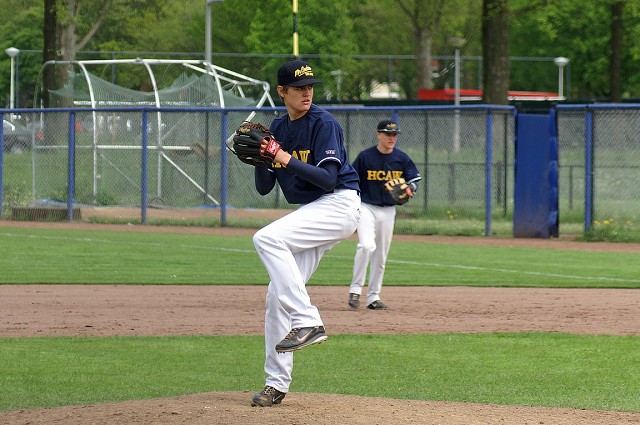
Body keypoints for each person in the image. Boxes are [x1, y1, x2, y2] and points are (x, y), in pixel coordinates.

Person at [250, 60, 361, 407]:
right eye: (299, 88)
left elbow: (328, 179)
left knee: (266, 238)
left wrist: (282, 156)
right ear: (282, 92)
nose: (307, 92)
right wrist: (260, 158)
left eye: (310, 86)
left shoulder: (323, 123)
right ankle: (276, 384)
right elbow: (265, 188)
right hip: (313, 211)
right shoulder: (278, 127)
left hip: (339, 203)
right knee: (275, 296)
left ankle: (309, 320)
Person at [347, 120, 422, 310]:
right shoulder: (365, 157)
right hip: (366, 207)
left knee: (380, 255)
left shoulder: (401, 158)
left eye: (394, 134)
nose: (392, 138)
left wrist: (410, 188)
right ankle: (355, 290)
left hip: (389, 210)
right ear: (378, 134)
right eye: (388, 134)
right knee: (366, 245)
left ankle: (373, 297)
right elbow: (352, 179)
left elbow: (413, 179)